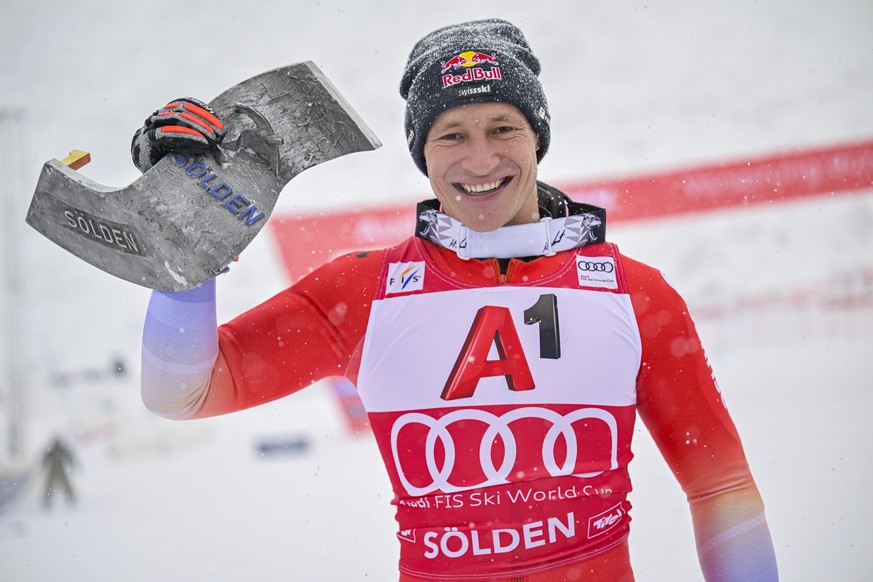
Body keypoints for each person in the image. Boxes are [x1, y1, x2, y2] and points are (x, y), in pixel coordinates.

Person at [136, 19, 779, 581]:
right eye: (450, 135)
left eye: (503, 127)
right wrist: (190, 241)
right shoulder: (361, 292)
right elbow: (182, 393)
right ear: (423, 154)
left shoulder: (636, 294)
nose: (480, 159)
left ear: (537, 139)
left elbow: (721, 488)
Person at [40, 436, 77, 510]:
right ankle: (47, 500)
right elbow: (45, 460)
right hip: (54, 470)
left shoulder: (61, 450)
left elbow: (69, 458)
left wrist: (72, 465)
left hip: (60, 470)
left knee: (65, 485)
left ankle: (71, 499)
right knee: (50, 486)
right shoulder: (53, 451)